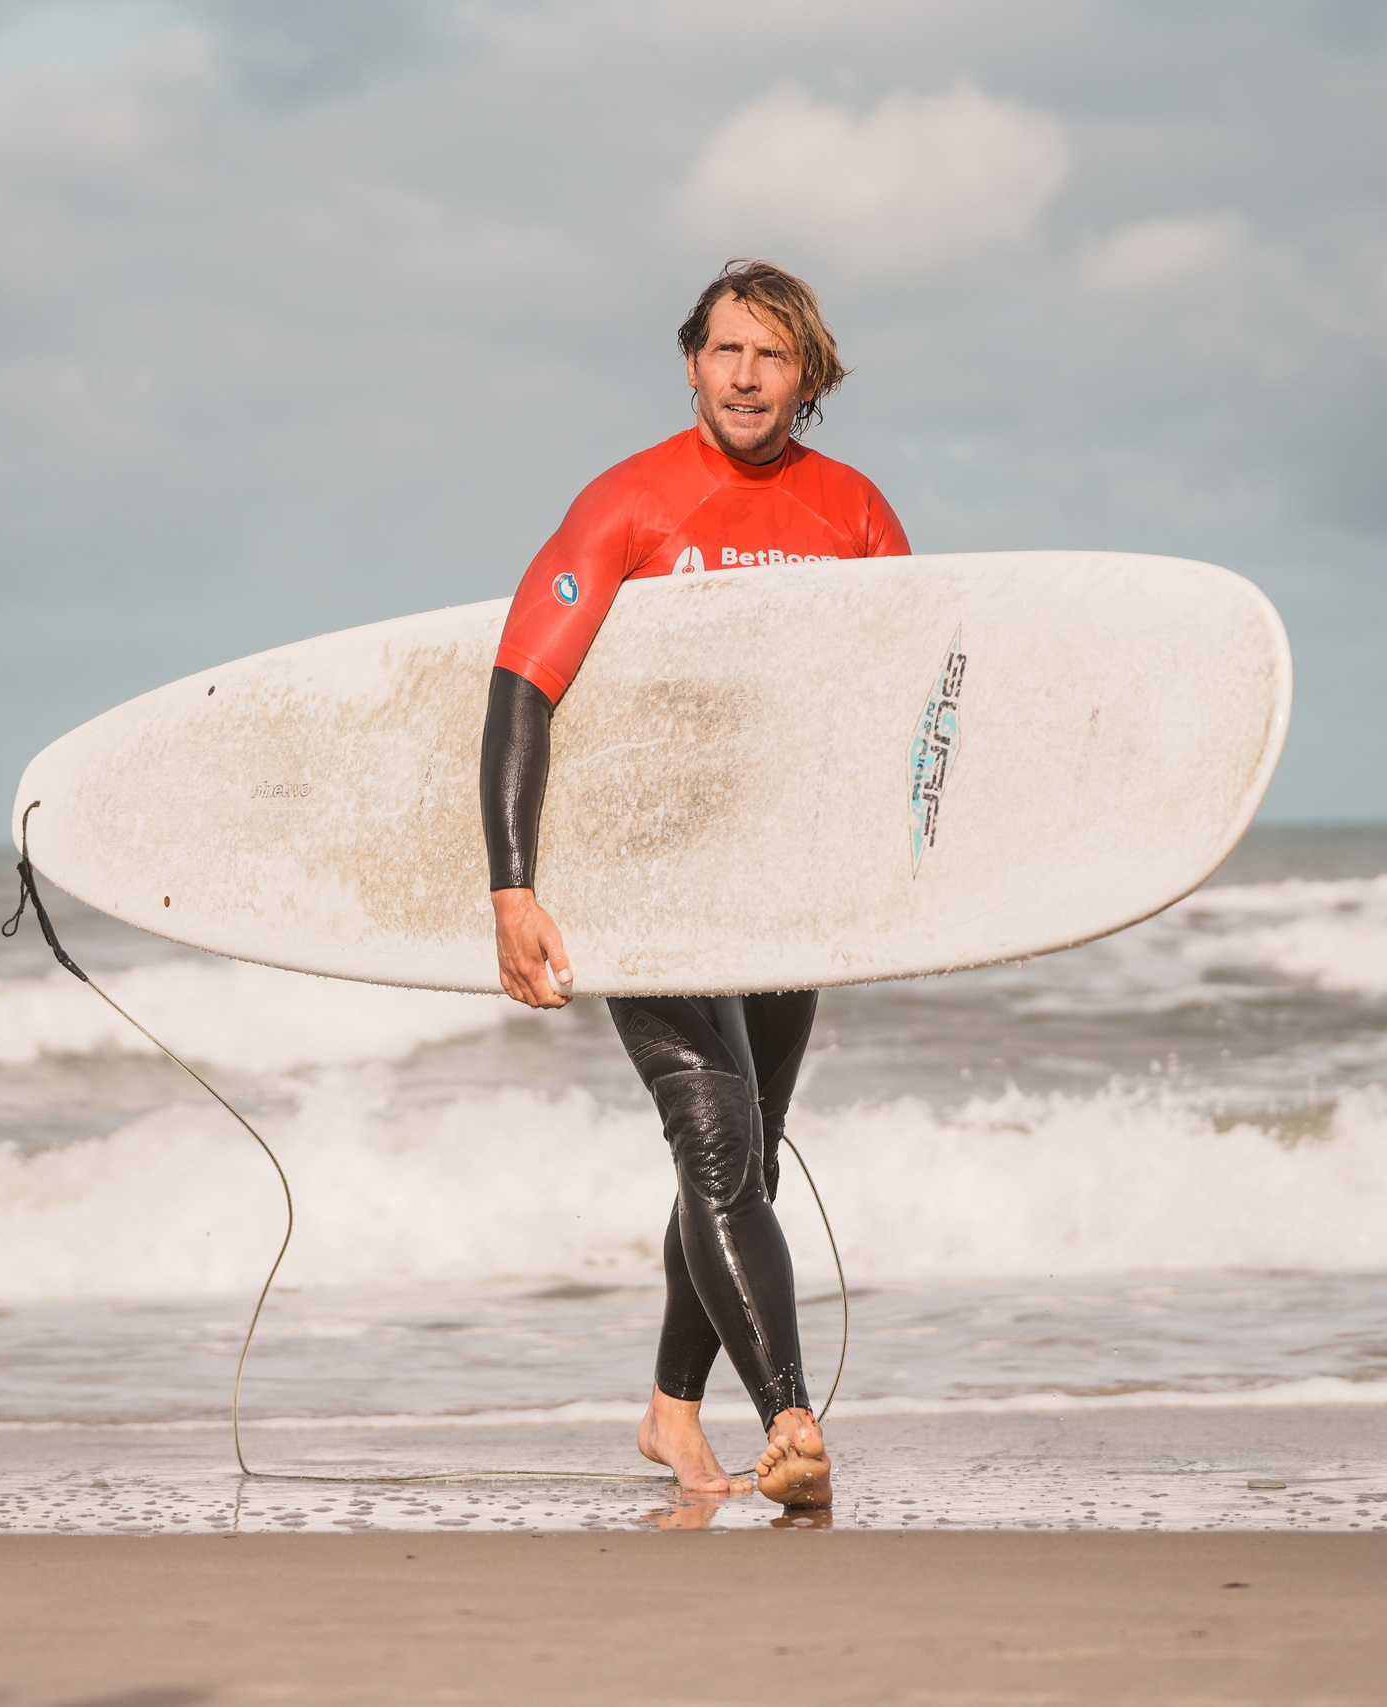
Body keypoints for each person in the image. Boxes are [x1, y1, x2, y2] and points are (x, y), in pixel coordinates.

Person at [478, 260, 909, 1509]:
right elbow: (522, 685)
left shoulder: (856, 515)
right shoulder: (631, 504)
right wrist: (514, 888)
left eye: (771, 356)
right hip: (642, 881)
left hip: (778, 889)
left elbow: (904, 712)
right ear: (689, 361)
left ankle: (671, 1413)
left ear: (808, 377)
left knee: (747, 1167)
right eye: (724, 350)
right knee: (718, 1149)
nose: (744, 375)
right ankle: (791, 1421)